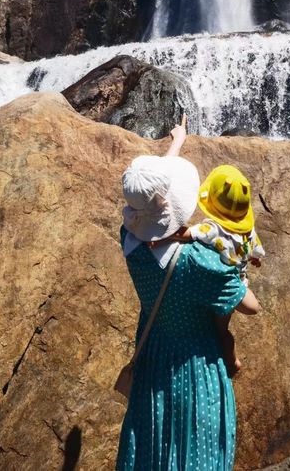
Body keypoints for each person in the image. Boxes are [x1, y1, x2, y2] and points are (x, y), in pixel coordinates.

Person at [116, 118, 260, 471]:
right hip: (195, 370)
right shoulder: (199, 262)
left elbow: (151, 202)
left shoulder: (129, 240)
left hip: (154, 356)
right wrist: (242, 276)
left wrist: (175, 144)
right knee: (195, 451)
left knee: (155, 445)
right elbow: (250, 306)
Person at [154, 164, 265, 376]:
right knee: (223, 326)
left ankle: (232, 362)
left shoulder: (213, 229)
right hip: (240, 281)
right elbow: (256, 251)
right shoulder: (248, 230)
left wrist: (161, 235)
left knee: (219, 331)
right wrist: (254, 260)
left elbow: (185, 235)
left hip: (220, 286)